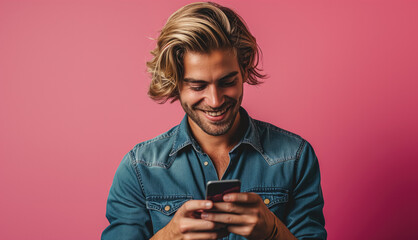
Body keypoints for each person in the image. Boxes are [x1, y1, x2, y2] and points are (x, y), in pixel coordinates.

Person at [102, 2, 326, 240]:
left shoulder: (294, 158)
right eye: (198, 86)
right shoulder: (139, 168)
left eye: (227, 82)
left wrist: (272, 231)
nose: (215, 100)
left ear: (244, 70)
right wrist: (170, 236)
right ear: (175, 83)